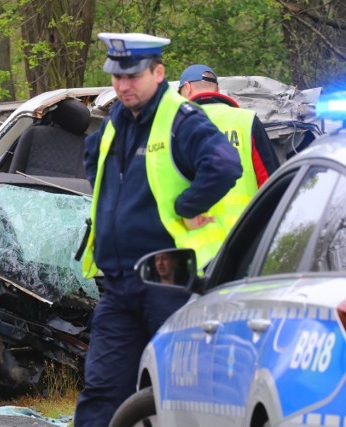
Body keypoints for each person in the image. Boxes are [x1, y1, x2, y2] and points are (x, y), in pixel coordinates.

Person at [76, 33, 243, 426]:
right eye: (117, 77)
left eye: (133, 76)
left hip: (168, 283)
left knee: (174, 396)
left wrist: (186, 207)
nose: (122, 85)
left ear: (159, 72)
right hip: (118, 283)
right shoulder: (118, 118)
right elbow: (92, 158)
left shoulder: (180, 119)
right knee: (101, 392)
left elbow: (224, 165)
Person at [178, 64, 280, 233]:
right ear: (217, 89)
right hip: (246, 236)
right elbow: (270, 183)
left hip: (197, 242)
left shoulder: (175, 126)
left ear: (187, 88)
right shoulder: (247, 121)